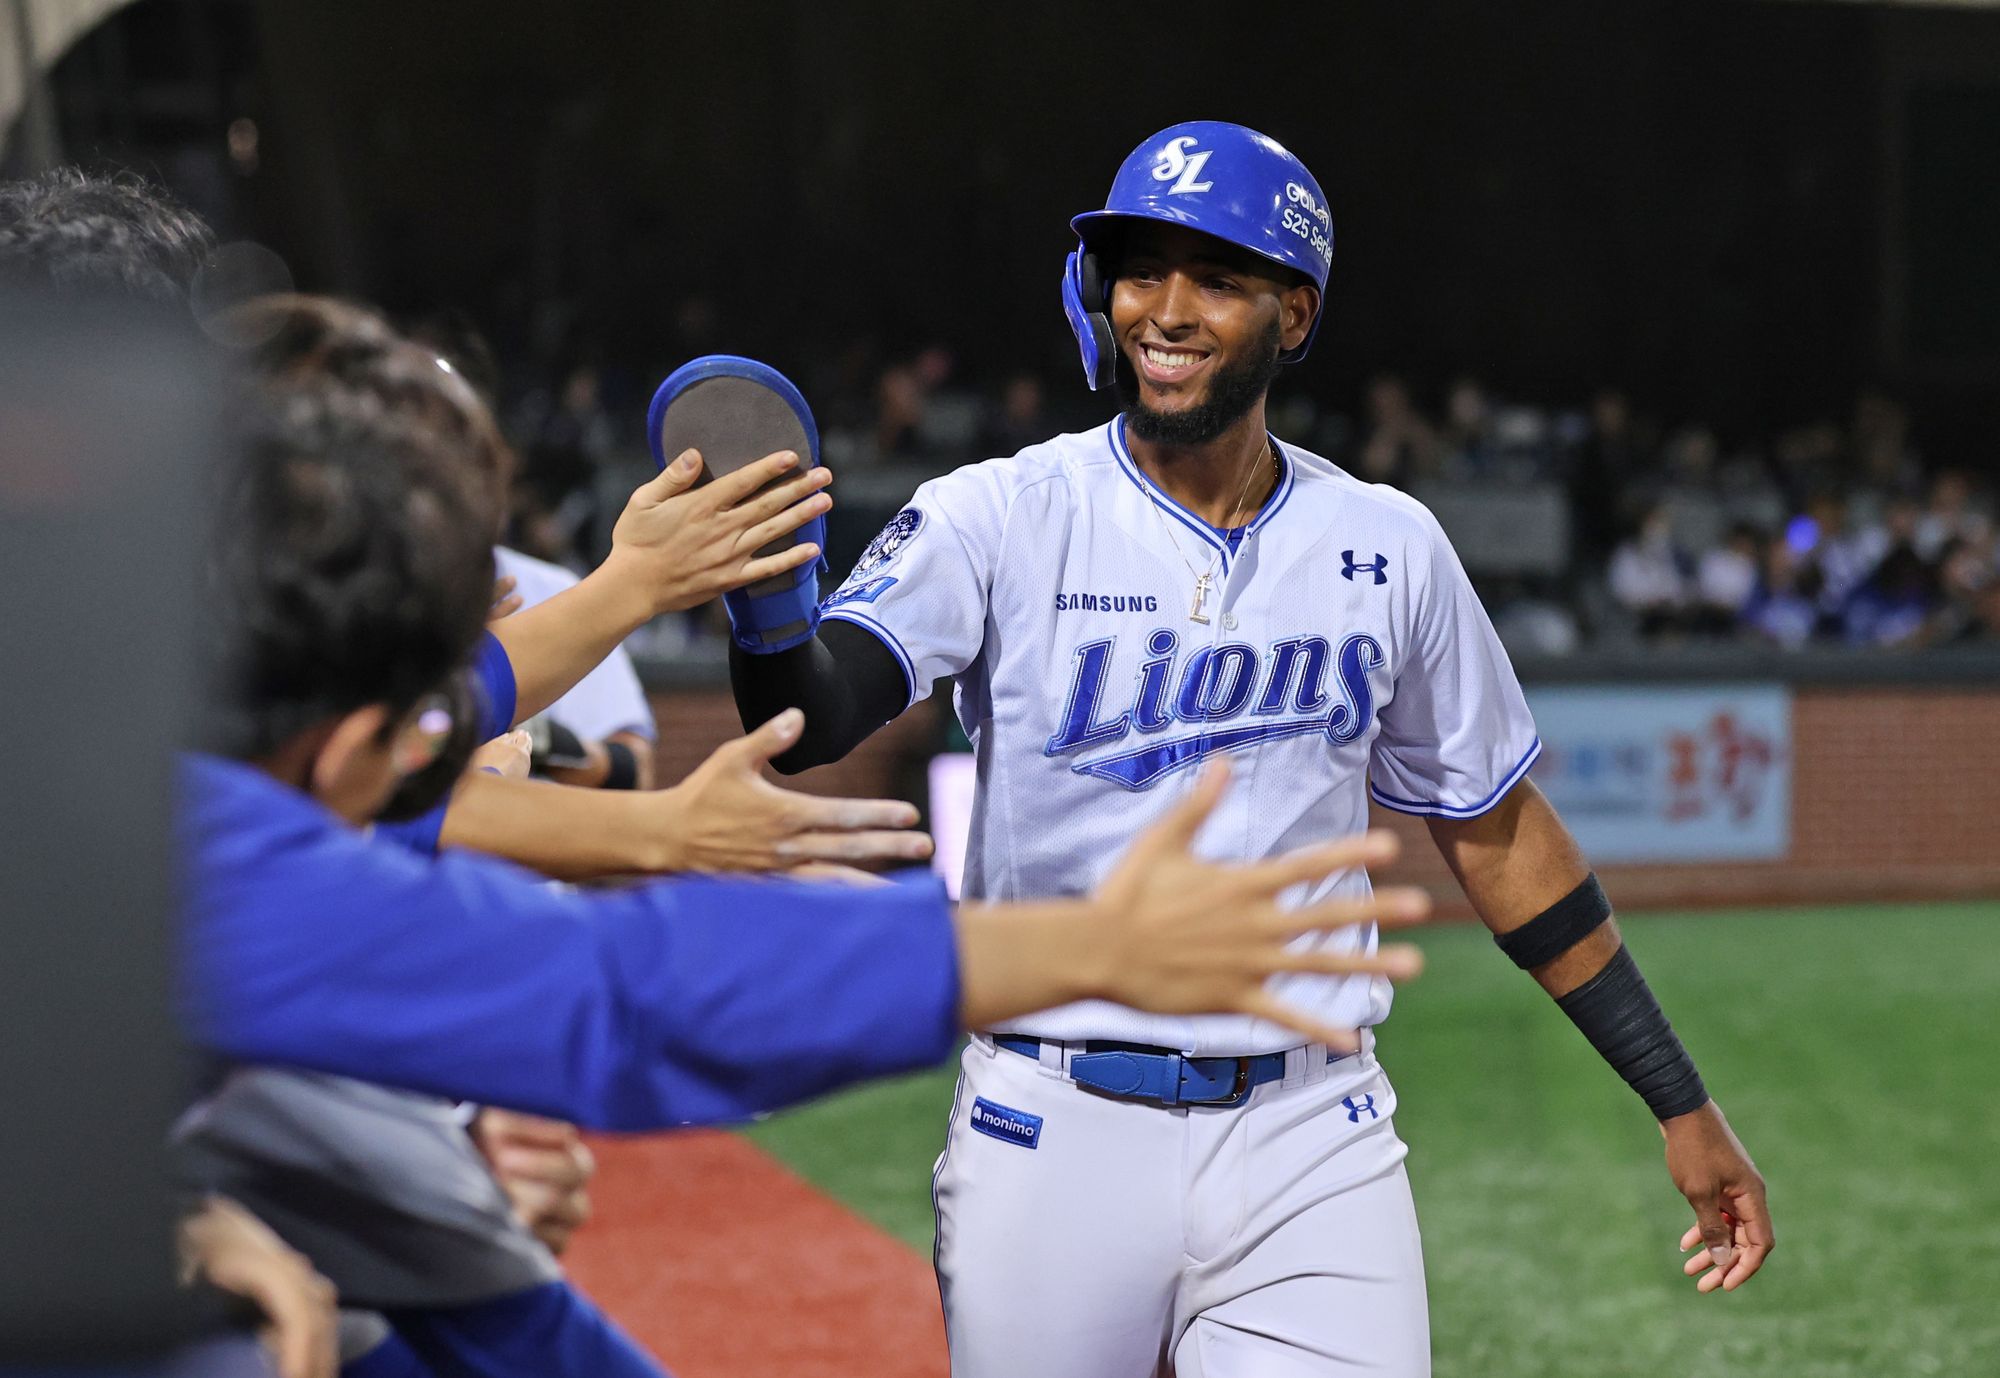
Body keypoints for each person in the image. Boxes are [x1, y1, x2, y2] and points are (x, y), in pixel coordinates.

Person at [730, 122, 1772, 1376]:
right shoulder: (1000, 513)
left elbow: (1498, 836)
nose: (1165, 311)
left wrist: (1677, 1097)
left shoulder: (1385, 542)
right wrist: (763, 607)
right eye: (1138, 270)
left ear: (1294, 312)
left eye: (1216, 278)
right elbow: (812, 714)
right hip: (1050, 1120)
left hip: (1311, 1134)